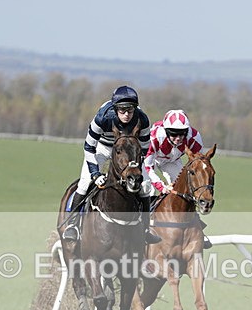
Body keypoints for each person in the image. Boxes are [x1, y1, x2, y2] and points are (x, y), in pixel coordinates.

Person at [62, 85, 160, 244]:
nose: (127, 115)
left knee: (146, 186)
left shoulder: (142, 119)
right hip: (102, 148)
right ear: (115, 109)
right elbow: (88, 147)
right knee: (84, 183)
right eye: (122, 111)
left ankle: (146, 229)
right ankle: (72, 225)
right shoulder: (103, 117)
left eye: (130, 110)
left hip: (129, 151)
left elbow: (144, 148)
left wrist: (135, 166)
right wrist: (95, 173)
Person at [143, 109, 212, 248]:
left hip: (172, 161)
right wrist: (161, 186)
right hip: (149, 160)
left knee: (186, 188)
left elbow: (198, 163)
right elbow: (147, 166)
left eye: (182, 133)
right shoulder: (155, 137)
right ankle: (143, 229)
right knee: (147, 189)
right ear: (166, 131)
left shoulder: (194, 137)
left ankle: (196, 226)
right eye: (173, 134)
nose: (178, 138)